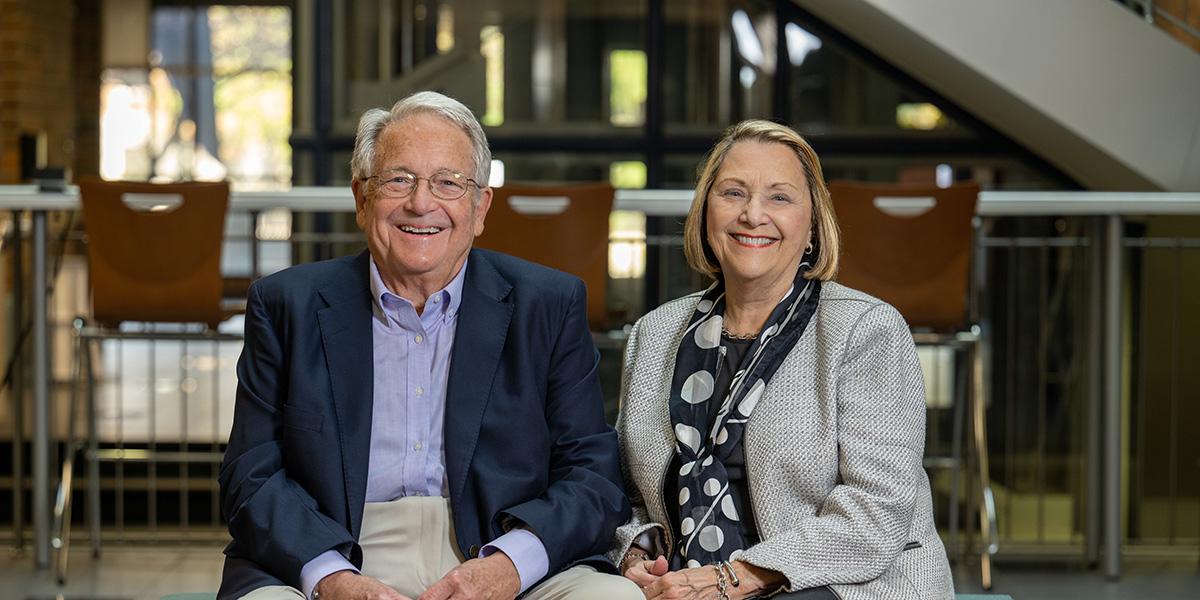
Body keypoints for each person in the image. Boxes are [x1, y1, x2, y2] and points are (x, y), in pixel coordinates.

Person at [218, 91, 638, 600]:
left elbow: (592, 476)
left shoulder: (548, 304)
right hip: (336, 549)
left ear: (480, 207)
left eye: (448, 183)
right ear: (361, 198)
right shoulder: (287, 305)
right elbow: (253, 475)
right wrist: (334, 580)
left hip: (499, 548)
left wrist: (508, 566)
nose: (421, 202)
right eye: (399, 179)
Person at [609, 120, 955, 600]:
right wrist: (636, 555)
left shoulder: (867, 330)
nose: (753, 215)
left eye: (779, 197)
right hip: (687, 587)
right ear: (705, 211)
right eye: (732, 193)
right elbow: (625, 497)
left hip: (841, 584)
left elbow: (876, 513)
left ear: (812, 225)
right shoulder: (655, 333)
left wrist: (735, 578)